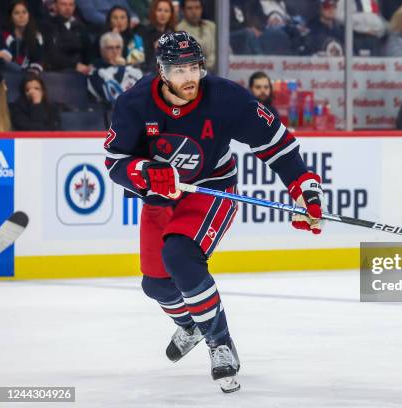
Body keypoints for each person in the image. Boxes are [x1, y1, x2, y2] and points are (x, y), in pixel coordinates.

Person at [103, 31, 325, 393]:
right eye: (179, 70)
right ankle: (191, 325)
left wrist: (304, 188)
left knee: (180, 255)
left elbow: (278, 146)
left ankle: (219, 342)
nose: (189, 77)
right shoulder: (135, 103)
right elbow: (115, 163)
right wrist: (143, 171)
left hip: (211, 187)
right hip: (160, 198)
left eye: (194, 67)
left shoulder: (225, 97)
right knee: (155, 284)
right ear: (161, 71)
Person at [88, 31, 143, 105]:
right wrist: (121, 68)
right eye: (110, 48)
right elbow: (111, 96)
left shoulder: (133, 70)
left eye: (118, 47)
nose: (115, 51)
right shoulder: (95, 72)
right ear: (102, 51)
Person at [45, 0, 93, 74]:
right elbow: (52, 54)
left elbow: (88, 52)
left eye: (71, 5)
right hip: (56, 72)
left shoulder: (80, 27)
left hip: (81, 72)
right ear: (55, 6)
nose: (68, 8)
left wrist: (90, 65)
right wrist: (74, 65)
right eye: (63, 4)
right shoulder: (47, 26)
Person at [2, 0, 45, 73]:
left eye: (24, 12)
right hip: (7, 73)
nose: (21, 16)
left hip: (28, 76)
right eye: (16, 13)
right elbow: (5, 58)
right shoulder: (4, 35)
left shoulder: (36, 36)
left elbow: (38, 60)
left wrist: (32, 72)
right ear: (11, 17)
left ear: (29, 15)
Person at [176, 0, 216, 71]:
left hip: (218, 70)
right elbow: (201, 50)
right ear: (183, 11)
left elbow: (225, 50)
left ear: (201, 9)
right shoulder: (178, 30)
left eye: (197, 8)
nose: (194, 12)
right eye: (190, 8)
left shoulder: (212, 26)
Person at [140, 0, 176, 71]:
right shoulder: (143, 32)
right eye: (159, 10)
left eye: (166, 11)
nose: (163, 14)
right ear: (153, 12)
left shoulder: (174, 33)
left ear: (171, 14)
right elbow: (143, 61)